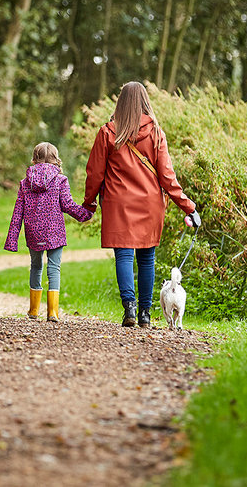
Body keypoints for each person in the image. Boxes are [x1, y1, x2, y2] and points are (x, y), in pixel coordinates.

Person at [82, 81, 198, 328]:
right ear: (145, 101)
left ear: (121, 102)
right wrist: (189, 206)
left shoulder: (107, 133)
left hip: (118, 204)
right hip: (149, 204)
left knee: (123, 256)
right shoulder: (155, 132)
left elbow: (94, 173)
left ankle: (130, 310)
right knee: (147, 258)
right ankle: (145, 313)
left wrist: (89, 202)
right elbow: (167, 177)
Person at [4, 142, 93, 322]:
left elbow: (17, 212)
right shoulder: (61, 180)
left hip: (33, 231)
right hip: (54, 231)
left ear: (34, 159)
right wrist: (86, 213)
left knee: (36, 266)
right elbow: (67, 205)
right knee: (54, 268)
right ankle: (52, 312)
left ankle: (33, 310)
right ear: (56, 159)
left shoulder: (25, 183)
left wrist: (12, 240)